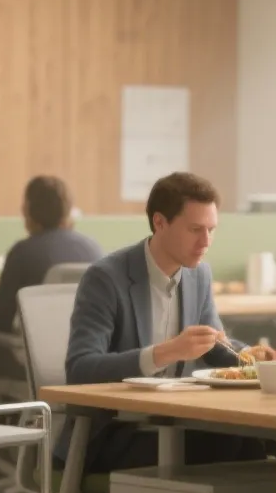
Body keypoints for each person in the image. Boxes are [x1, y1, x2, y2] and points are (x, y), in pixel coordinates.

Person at [64, 171, 256, 475]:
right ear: (159, 222)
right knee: (229, 446)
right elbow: (80, 369)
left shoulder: (198, 275)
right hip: (115, 432)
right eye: (195, 229)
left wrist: (254, 357)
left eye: (211, 230)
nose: (206, 241)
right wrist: (164, 353)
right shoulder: (106, 278)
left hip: (173, 423)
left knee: (256, 443)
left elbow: (216, 346)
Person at [0, 175, 102, 334]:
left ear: (28, 210)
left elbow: (0, 318)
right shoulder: (93, 249)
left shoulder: (23, 252)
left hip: (29, 354)